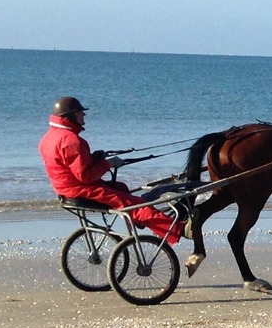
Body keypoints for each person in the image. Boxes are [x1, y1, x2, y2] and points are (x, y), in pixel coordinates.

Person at [39, 96, 183, 244]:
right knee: (134, 203)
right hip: (81, 189)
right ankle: (177, 229)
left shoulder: (48, 138)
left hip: (65, 189)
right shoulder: (72, 141)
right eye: (80, 112)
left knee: (121, 188)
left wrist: (95, 157)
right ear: (71, 115)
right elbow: (85, 176)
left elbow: (68, 163)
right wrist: (108, 164)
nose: (83, 115)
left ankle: (139, 221)